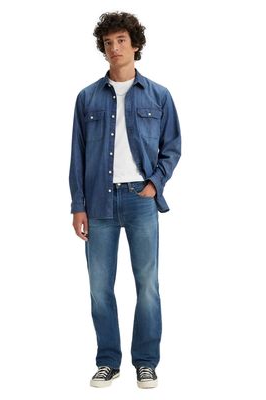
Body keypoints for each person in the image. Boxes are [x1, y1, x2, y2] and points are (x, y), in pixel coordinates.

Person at [69, 11, 181, 389]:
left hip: (140, 199)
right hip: (98, 203)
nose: (114, 48)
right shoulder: (87, 98)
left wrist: (154, 183)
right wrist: (78, 205)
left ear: (135, 45)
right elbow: (77, 156)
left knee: (147, 284)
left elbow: (172, 147)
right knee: (100, 287)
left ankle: (145, 362)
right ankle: (108, 361)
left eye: (121, 41)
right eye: (108, 43)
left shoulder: (159, 95)